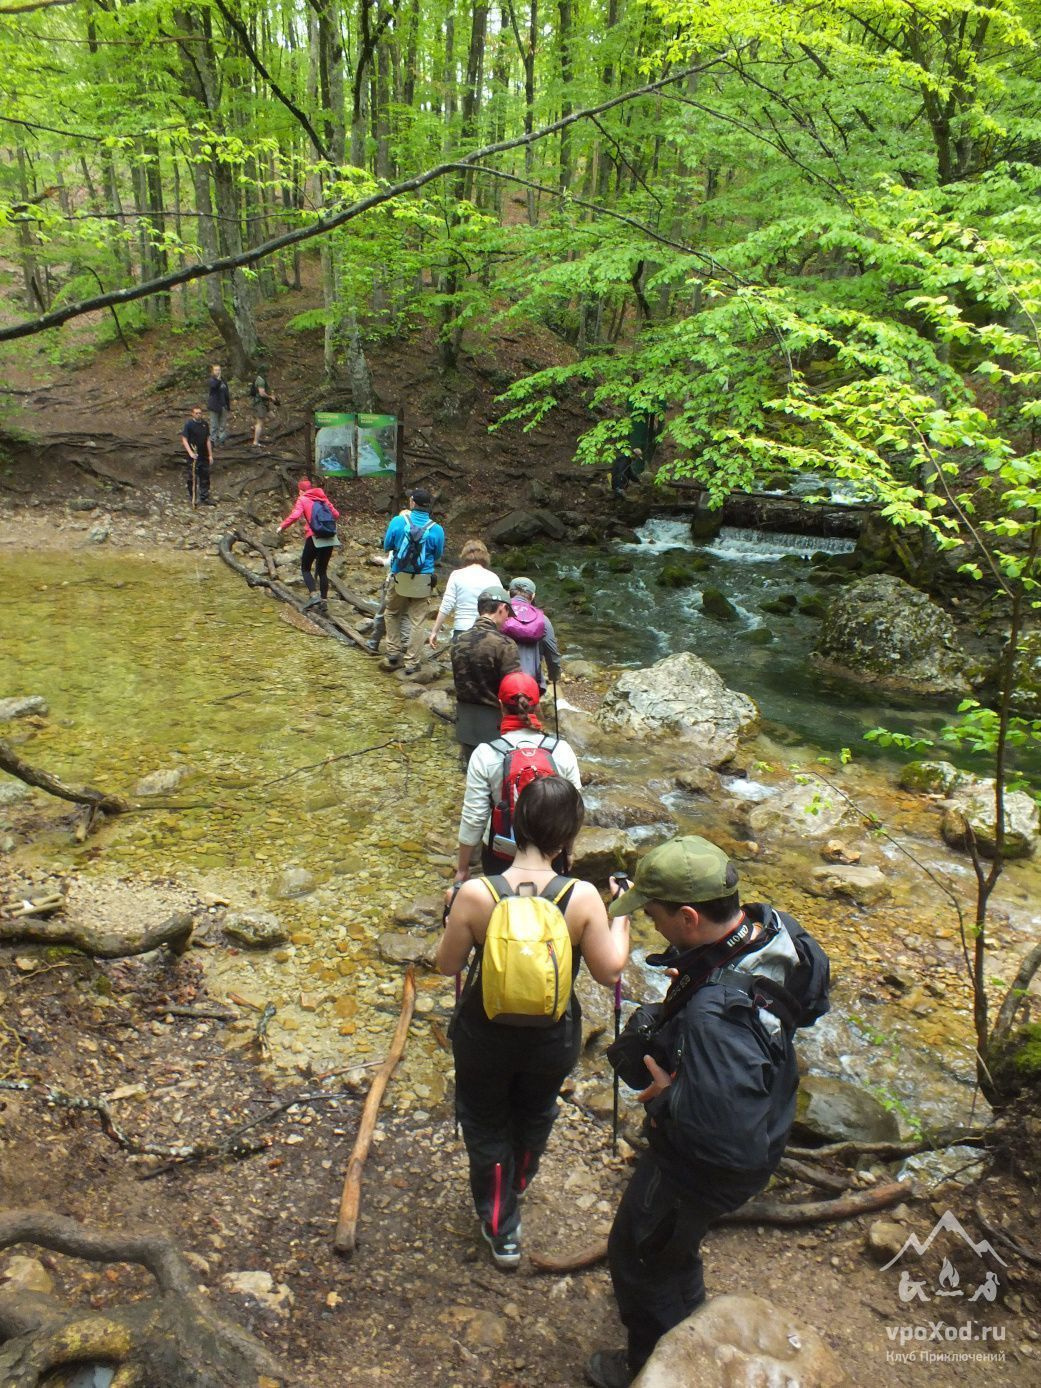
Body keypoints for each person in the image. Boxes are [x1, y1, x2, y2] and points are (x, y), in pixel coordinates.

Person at [586, 836, 830, 1388]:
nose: (648, 922)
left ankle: (655, 1368)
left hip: (710, 1163)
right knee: (675, 1242)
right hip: (771, 1109)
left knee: (638, 1255)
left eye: (653, 914)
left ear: (690, 916)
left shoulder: (714, 1019)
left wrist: (672, 1093)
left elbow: (726, 1142)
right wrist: (697, 977)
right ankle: (695, 1316)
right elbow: (811, 1002)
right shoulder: (775, 928)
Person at [436, 776, 630, 1271]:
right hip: (552, 1035)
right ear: (568, 838)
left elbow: (446, 966)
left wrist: (452, 919)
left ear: (516, 823)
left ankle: (501, 1226)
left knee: (484, 1120)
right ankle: (517, 1180)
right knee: (535, 1112)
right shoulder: (582, 896)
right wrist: (621, 916)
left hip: (484, 1033)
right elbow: (610, 972)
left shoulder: (478, 893)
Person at [455, 672, 580, 884]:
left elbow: (474, 816)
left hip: (501, 854)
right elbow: (573, 810)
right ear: (537, 706)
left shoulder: (485, 753)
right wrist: (568, 850)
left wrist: (462, 868)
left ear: (500, 705)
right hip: (550, 853)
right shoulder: (561, 750)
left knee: (501, 913)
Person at [450, 586, 521, 765]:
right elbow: (515, 691)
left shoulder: (459, 640)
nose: (507, 619)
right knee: (497, 780)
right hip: (495, 726)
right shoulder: (505, 644)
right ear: (502, 608)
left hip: (465, 723)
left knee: (473, 777)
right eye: (507, 613)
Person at [380, 487, 445, 675]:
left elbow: (387, 546)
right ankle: (411, 662)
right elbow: (438, 555)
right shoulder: (437, 529)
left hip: (399, 576)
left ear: (412, 503)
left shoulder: (398, 521)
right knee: (418, 621)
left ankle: (393, 652)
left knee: (392, 612)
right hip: (423, 579)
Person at [277, 477, 341, 613]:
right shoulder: (323, 498)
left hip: (314, 536)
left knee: (305, 568)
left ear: (300, 490)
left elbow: (295, 515)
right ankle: (323, 601)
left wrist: (282, 526)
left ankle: (313, 595)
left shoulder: (303, 499)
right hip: (329, 537)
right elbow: (336, 514)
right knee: (322, 570)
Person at [427, 539, 501, 647]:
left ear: (464, 555)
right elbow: (501, 607)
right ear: (485, 556)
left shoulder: (457, 575)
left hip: (462, 631)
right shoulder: (493, 577)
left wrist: (434, 631)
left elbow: (447, 605)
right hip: (487, 632)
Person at [501, 577, 561, 695]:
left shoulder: (499, 613)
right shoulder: (542, 619)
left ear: (508, 593)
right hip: (530, 682)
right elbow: (552, 653)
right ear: (533, 596)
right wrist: (554, 676)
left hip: (501, 679)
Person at [180, 406, 214, 505]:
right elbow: (184, 439)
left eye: (200, 413)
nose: (199, 415)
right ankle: (192, 496)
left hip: (204, 454)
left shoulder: (205, 424)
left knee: (205, 476)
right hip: (193, 455)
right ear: (192, 414)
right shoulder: (189, 424)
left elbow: (208, 440)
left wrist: (210, 455)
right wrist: (190, 452)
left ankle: (204, 496)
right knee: (192, 477)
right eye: (196, 413)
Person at [251, 366, 276, 447]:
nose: (268, 373)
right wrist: (270, 397)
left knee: (272, 416)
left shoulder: (261, 379)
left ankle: (257, 427)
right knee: (260, 423)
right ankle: (255, 442)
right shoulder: (260, 380)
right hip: (260, 404)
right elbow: (262, 393)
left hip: (264, 404)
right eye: (266, 371)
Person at [207, 364, 231, 445]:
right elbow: (214, 386)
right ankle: (213, 441)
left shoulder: (223, 380)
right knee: (214, 425)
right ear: (213, 371)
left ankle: (221, 440)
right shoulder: (212, 380)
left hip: (223, 405)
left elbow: (226, 393)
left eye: (219, 370)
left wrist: (228, 405)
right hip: (214, 406)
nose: (218, 372)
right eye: (216, 370)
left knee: (223, 425)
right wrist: (218, 379)